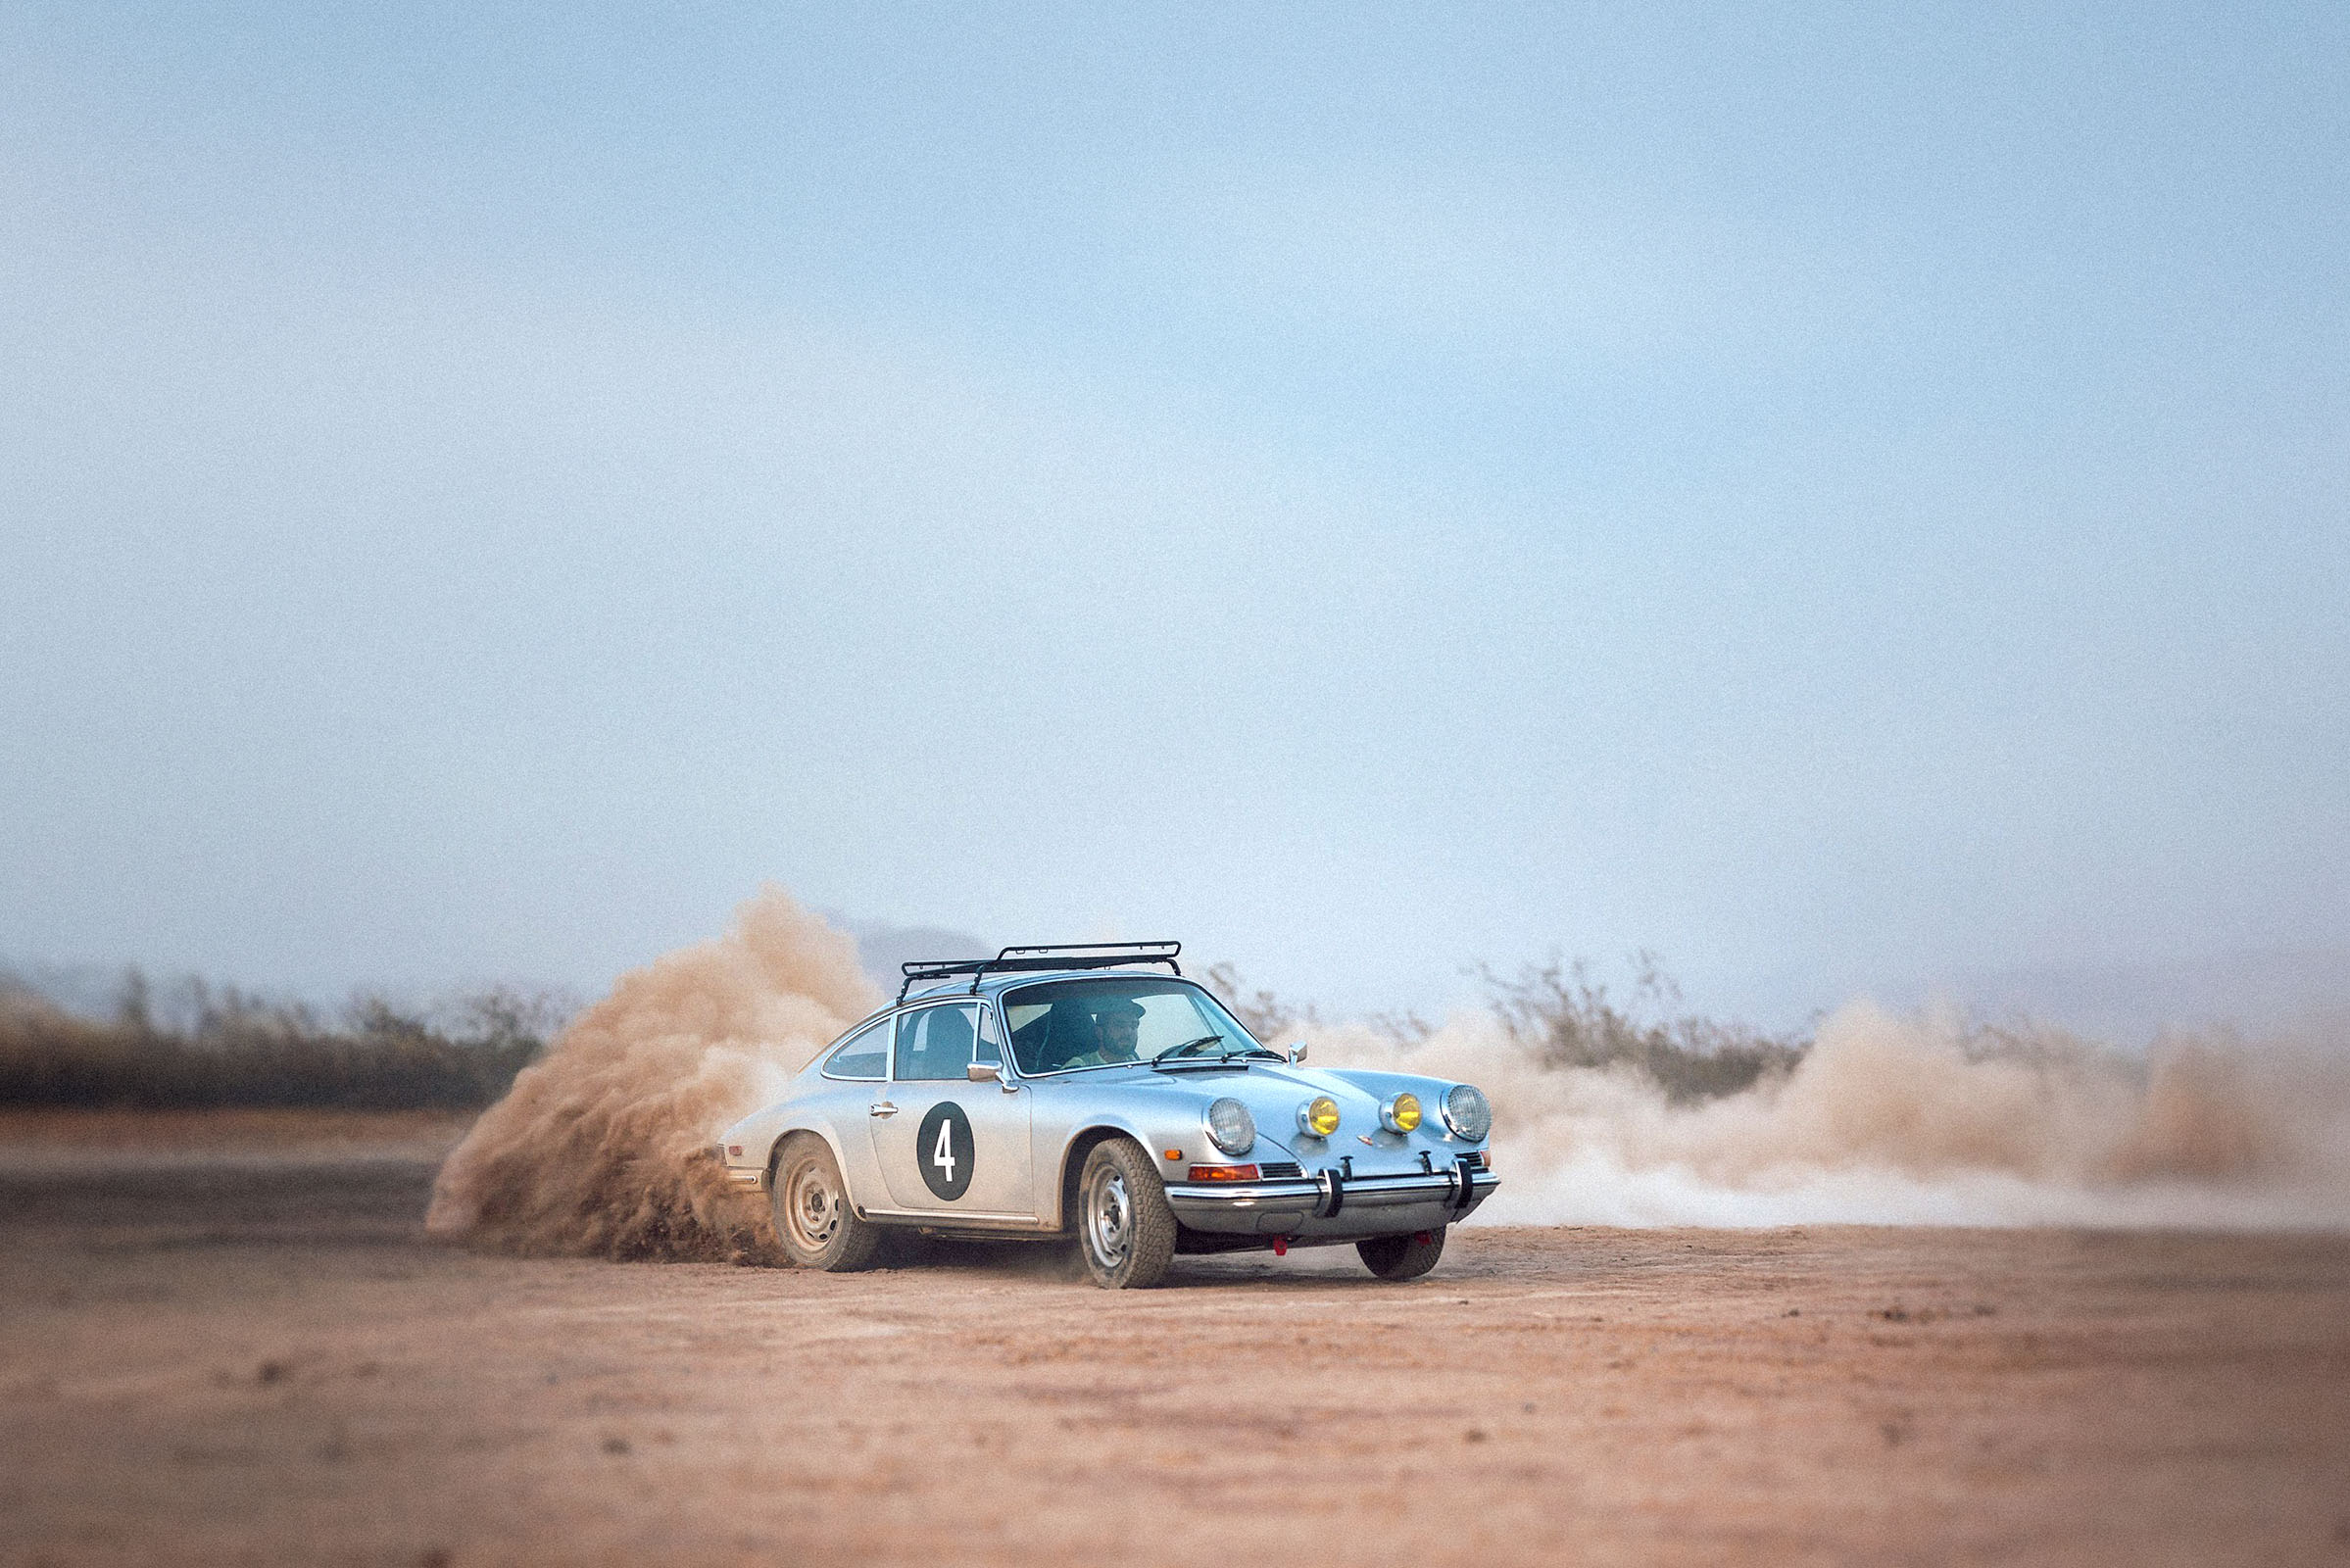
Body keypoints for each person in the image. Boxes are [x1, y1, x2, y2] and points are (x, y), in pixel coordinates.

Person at [1059, 996, 1145, 1067]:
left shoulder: (1137, 1063)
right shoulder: (1079, 1066)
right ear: (1099, 1032)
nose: (1128, 1032)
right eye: (1119, 1025)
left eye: (1134, 1025)